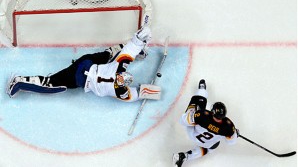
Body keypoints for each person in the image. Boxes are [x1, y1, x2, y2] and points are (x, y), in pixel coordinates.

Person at [7, 26, 160, 102]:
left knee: (108, 55)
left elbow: (132, 93)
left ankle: (119, 51)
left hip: (88, 63)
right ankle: (18, 82)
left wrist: (147, 92)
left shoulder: (119, 82)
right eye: (122, 76)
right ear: (123, 75)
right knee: (52, 85)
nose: (120, 78)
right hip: (78, 76)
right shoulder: (119, 76)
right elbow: (128, 54)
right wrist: (139, 40)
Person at [173, 79, 239, 167]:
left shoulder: (202, 116)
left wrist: (193, 115)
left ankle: (202, 90)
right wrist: (234, 134)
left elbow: (182, 120)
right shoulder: (229, 127)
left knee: (199, 101)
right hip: (208, 143)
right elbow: (231, 143)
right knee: (213, 146)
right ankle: (184, 156)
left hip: (192, 134)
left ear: (212, 112)